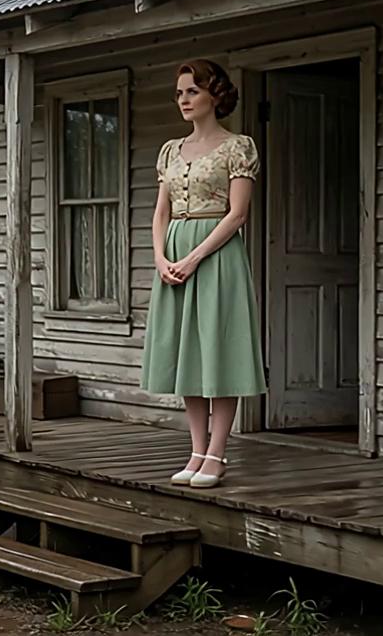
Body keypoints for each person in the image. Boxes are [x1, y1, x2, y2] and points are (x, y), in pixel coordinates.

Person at [140, 59, 267, 490]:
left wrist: (194, 257)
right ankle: (195, 451)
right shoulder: (170, 151)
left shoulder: (238, 147)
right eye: (179, 93)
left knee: (218, 350)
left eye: (192, 91)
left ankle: (216, 452)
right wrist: (160, 257)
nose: (184, 100)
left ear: (214, 94)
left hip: (216, 255)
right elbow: (160, 212)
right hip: (174, 254)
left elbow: (238, 214)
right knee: (188, 355)